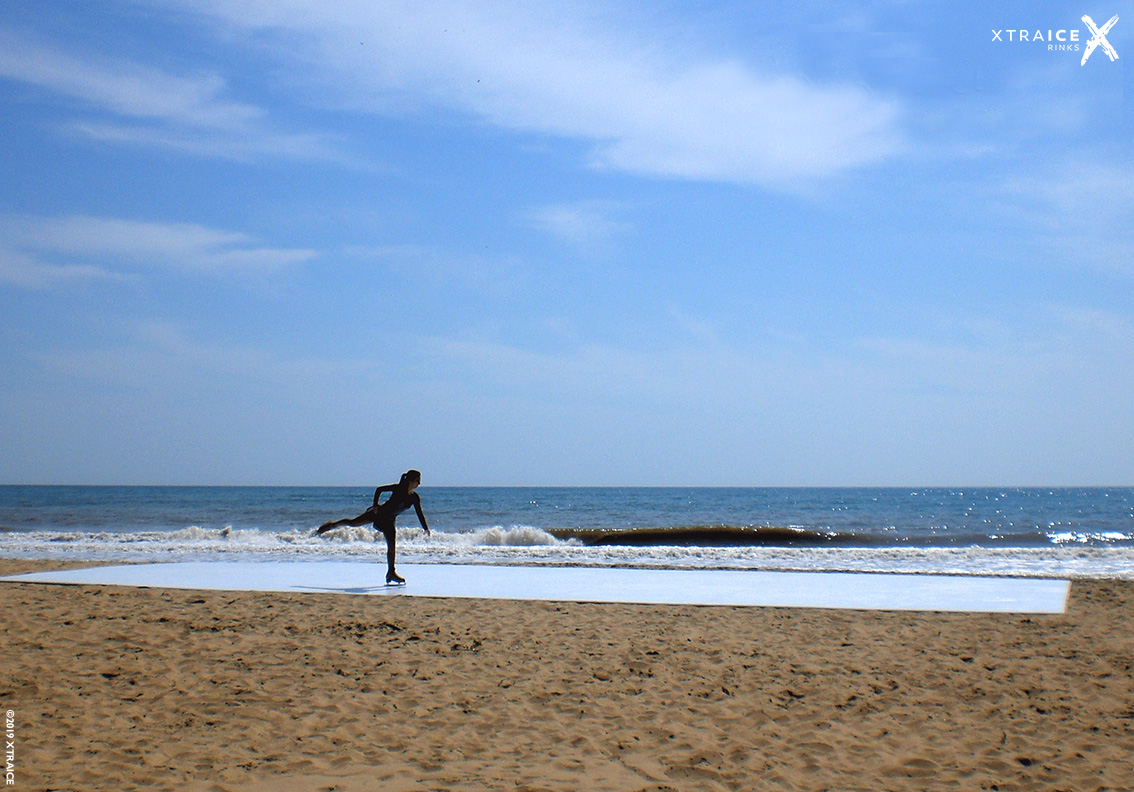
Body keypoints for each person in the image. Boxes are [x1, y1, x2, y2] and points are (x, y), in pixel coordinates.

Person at [317, 470, 430, 584]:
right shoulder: (398, 489)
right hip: (379, 514)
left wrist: (425, 528)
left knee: (392, 546)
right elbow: (379, 489)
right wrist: (375, 505)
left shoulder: (414, 497)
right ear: (411, 481)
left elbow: (419, 513)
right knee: (353, 523)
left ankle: (391, 572)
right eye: (417, 481)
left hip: (390, 521)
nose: (419, 484)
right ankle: (332, 525)